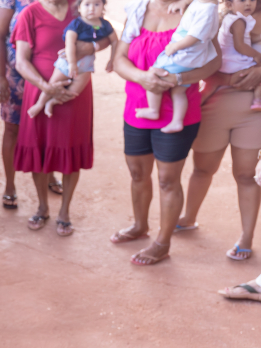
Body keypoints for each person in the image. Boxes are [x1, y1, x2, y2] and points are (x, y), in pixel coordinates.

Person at [110, 0, 220, 264]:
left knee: (167, 180)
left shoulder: (197, 10)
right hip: (138, 107)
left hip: (177, 114)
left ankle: (162, 243)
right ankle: (139, 226)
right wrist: (142, 78)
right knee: (138, 173)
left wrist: (179, 80)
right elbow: (119, 60)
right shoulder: (138, 10)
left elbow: (214, 62)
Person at [176, 0, 261, 261]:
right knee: (202, 168)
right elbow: (206, 63)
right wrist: (230, 79)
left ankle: (246, 237)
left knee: (247, 175)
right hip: (216, 101)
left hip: (254, 109)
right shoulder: (218, 16)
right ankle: (188, 218)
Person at [12, 0, 97, 237]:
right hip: (39, 91)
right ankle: (42, 206)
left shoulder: (79, 7)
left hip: (74, 95)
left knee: (71, 149)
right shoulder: (30, 13)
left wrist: (90, 48)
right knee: (38, 149)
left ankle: (65, 212)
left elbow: (102, 35)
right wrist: (47, 88)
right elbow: (21, 60)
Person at [136, 0, 219, 133]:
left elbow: (195, 36)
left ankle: (153, 110)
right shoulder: (202, 3)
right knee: (179, 91)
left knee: (154, 73)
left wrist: (175, 46)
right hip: (188, 56)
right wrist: (183, 3)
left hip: (184, 54)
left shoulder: (207, 10)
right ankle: (177, 121)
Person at [28, 0, 118, 118]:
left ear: (103, 7)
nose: (92, 8)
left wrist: (112, 60)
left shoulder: (105, 25)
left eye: (96, 4)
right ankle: (39, 104)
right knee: (53, 83)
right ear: (79, 8)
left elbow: (115, 41)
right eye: (87, 4)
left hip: (86, 65)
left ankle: (52, 102)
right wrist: (72, 63)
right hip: (68, 62)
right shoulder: (76, 24)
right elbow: (69, 43)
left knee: (75, 91)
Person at [215, 0, 261, 110]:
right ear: (229, 4)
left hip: (225, 63)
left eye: (252, 0)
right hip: (234, 64)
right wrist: (257, 55)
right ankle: (257, 100)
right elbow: (239, 46)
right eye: (242, 0)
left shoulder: (232, 17)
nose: (248, 3)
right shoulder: (238, 21)